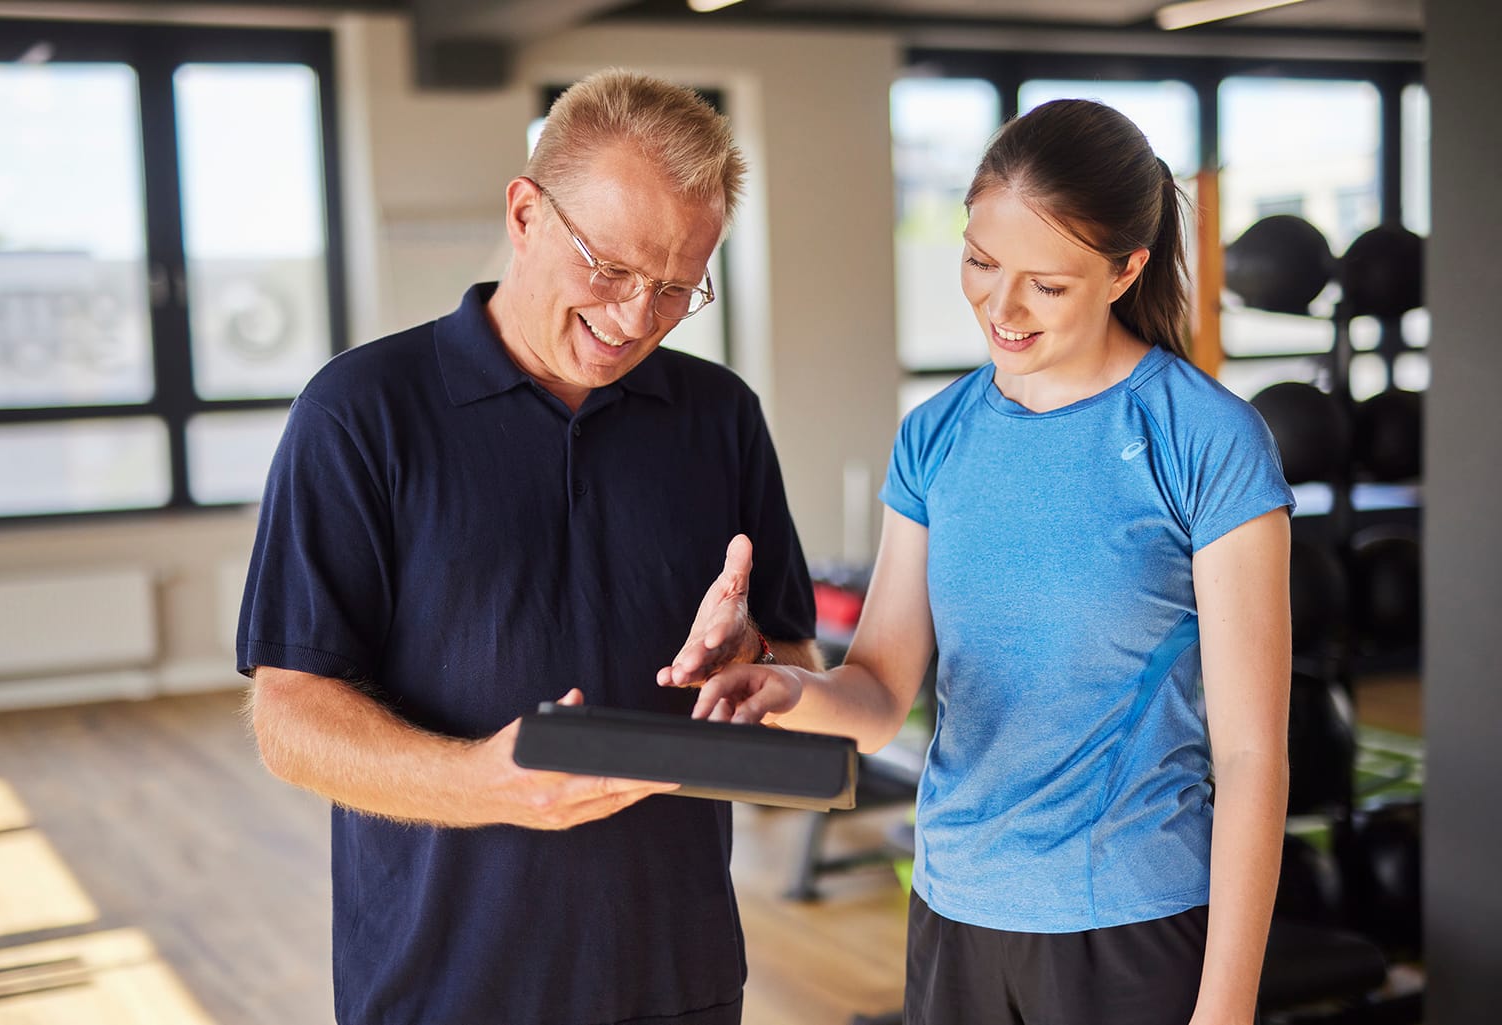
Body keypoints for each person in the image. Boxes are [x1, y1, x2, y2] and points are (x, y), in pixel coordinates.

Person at [667, 99, 1293, 1025]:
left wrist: (1226, 1009)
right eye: (981, 261)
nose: (1000, 308)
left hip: (1129, 926)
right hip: (953, 912)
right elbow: (879, 695)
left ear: (1126, 269)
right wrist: (783, 688)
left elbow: (1250, 757)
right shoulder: (936, 437)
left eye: (1046, 284)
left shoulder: (1206, 442)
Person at [238, 68, 820, 1025]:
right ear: (524, 214)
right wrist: (483, 784)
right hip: (444, 988)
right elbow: (291, 716)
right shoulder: (359, 414)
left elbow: (797, 664)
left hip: (681, 980)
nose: (637, 318)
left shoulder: (721, 417)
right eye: (613, 269)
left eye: (678, 288)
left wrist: (752, 664)